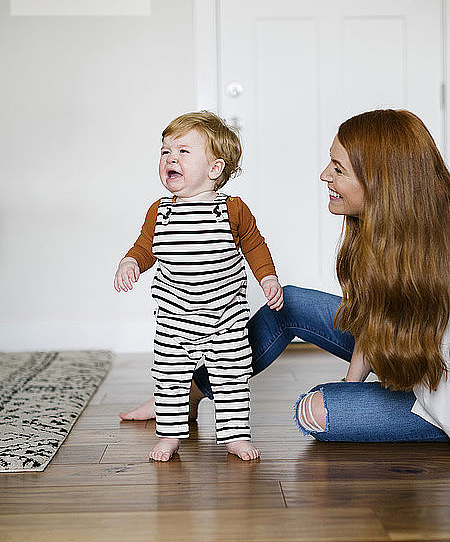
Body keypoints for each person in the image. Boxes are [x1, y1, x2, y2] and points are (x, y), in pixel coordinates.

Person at [121, 109, 449, 443]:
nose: (324, 175)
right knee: (287, 303)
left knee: (314, 413)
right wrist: (351, 387)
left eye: (338, 169)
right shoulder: (381, 230)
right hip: (404, 348)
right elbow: (373, 317)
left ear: (382, 180)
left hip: (435, 396)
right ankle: (183, 400)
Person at [114, 111, 283, 461]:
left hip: (225, 318)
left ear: (215, 169)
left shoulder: (231, 210)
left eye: (183, 152)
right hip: (175, 319)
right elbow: (146, 247)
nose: (170, 159)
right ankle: (170, 436)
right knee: (169, 380)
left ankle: (234, 436)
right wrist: (130, 262)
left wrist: (267, 277)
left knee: (231, 378)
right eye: (165, 152)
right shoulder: (160, 212)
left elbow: (254, 244)